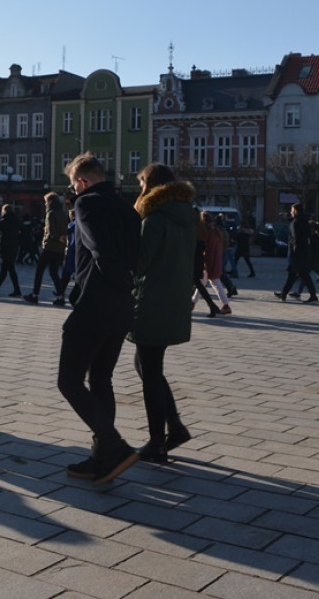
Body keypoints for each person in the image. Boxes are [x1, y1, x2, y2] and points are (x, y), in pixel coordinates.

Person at [58, 153, 141, 486]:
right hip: (122, 306)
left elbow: (100, 251)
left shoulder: (87, 204)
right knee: (101, 378)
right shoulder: (126, 206)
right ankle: (102, 457)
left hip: (96, 304)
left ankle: (114, 446)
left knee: (69, 381)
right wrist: (128, 287)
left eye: (72, 186)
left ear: (81, 182)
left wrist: (114, 282)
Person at [129, 163, 195, 463]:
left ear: (150, 187)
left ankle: (157, 441)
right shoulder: (187, 216)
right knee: (147, 365)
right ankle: (176, 427)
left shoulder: (154, 221)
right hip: (174, 298)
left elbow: (139, 263)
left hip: (153, 301)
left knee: (149, 369)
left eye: (141, 184)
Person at [23, 192, 69, 306]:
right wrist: (62, 238)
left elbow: (51, 230)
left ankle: (34, 295)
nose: (45, 204)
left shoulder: (50, 214)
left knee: (39, 271)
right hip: (60, 248)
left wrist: (56, 237)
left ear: (50, 202)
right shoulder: (63, 213)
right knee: (54, 273)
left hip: (50, 246)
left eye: (46, 202)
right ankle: (60, 297)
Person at [274, 203, 318, 303]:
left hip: (297, 253)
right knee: (294, 274)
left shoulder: (295, 222)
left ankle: (313, 295)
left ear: (295, 211)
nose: (290, 212)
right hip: (304, 251)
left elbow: (295, 239)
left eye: (291, 210)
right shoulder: (305, 221)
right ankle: (284, 294)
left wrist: (293, 252)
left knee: (302, 275)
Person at [193, 211, 232, 315]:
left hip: (208, 260)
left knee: (214, 282)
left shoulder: (206, 231)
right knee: (202, 283)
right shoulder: (216, 230)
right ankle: (192, 302)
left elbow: (204, 246)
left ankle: (226, 305)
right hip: (216, 258)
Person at [294, 220, 319, 301]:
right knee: (318, 277)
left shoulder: (312, 238)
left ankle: (299, 293)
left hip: (312, 260)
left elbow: (310, 249)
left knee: (305, 277)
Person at [190, 210, 220, 318]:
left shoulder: (193, 229)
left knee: (196, 284)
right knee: (198, 284)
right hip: (199, 260)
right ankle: (212, 305)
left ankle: (211, 305)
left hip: (192, 260)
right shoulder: (202, 229)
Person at [0, 203, 22, 297]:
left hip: (5, 247)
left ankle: (16, 290)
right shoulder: (16, 220)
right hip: (14, 247)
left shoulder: (2, 221)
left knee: (9, 270)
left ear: (4, 211)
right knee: (6, 269)